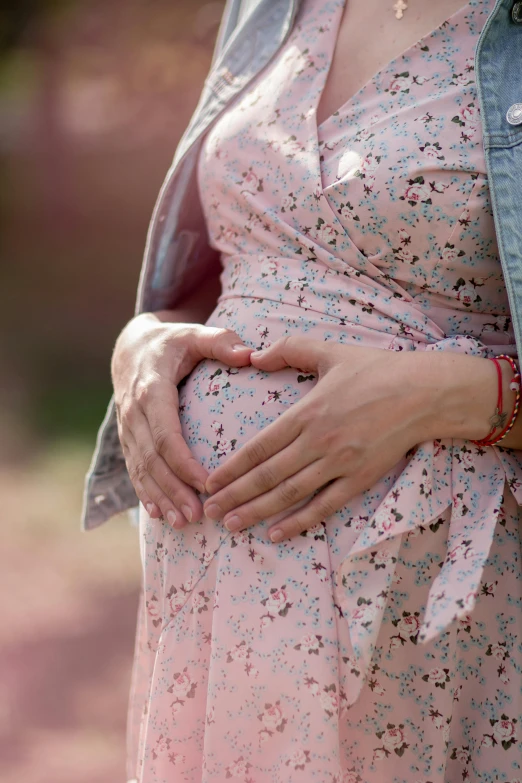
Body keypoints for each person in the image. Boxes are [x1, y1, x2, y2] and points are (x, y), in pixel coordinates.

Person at [85, 0, 522, 780]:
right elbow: (241, 269)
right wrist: (142, 340)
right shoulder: (271, 8)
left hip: (422, 625)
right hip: (215, 605)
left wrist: (453, 394)